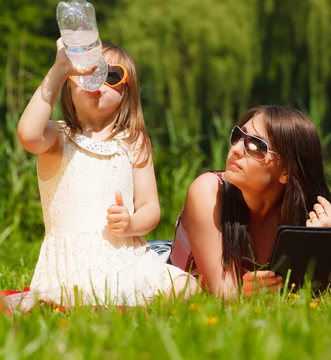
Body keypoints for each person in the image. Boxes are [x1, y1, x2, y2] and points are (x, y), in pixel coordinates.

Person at [13, 38, 196, 308]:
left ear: (127, 92)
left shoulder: (133, 142)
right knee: (71, 299)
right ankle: (122, 303)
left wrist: (131, 223)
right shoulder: (58, 136)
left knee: (187, 286)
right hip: (72, 263)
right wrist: (59, 69)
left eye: (111, 75)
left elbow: (150, 207)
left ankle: (145, 274)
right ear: (70, 83)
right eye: (88, 72)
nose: (97, 81)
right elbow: (28, 134)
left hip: (126, 256)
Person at [148, 105, 331, 299]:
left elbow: (320, 294)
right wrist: (248, 293)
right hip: (157, 261)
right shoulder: (209, 191)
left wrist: (323, 247)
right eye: (238, 137)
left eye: (255, 145)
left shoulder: (300, 216)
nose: (235, 149)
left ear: (286, 171)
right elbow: (224, 295)